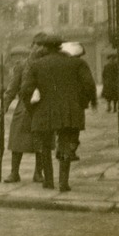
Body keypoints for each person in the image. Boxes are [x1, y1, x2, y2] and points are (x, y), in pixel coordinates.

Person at [21, 33, 97, 192]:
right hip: (69, 110)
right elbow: (89, 86)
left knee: (44, 146)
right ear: (60, 46)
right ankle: (63, 182)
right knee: (65, 144)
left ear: (45, 48)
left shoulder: (36, 65)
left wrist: (33, 109)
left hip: (43, 110)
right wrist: (80, 104)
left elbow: (25, 90)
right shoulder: (77, 63)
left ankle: (48, 180)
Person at [0, 46, 35, 183]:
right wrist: (4, 106)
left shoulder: (46, 63)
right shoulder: (22, 66)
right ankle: (14, 172)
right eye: (37, 45)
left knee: (41, 141)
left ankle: (38, 173)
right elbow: (12, 88)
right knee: (17, 139)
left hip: (41, 107)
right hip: (24, 106)